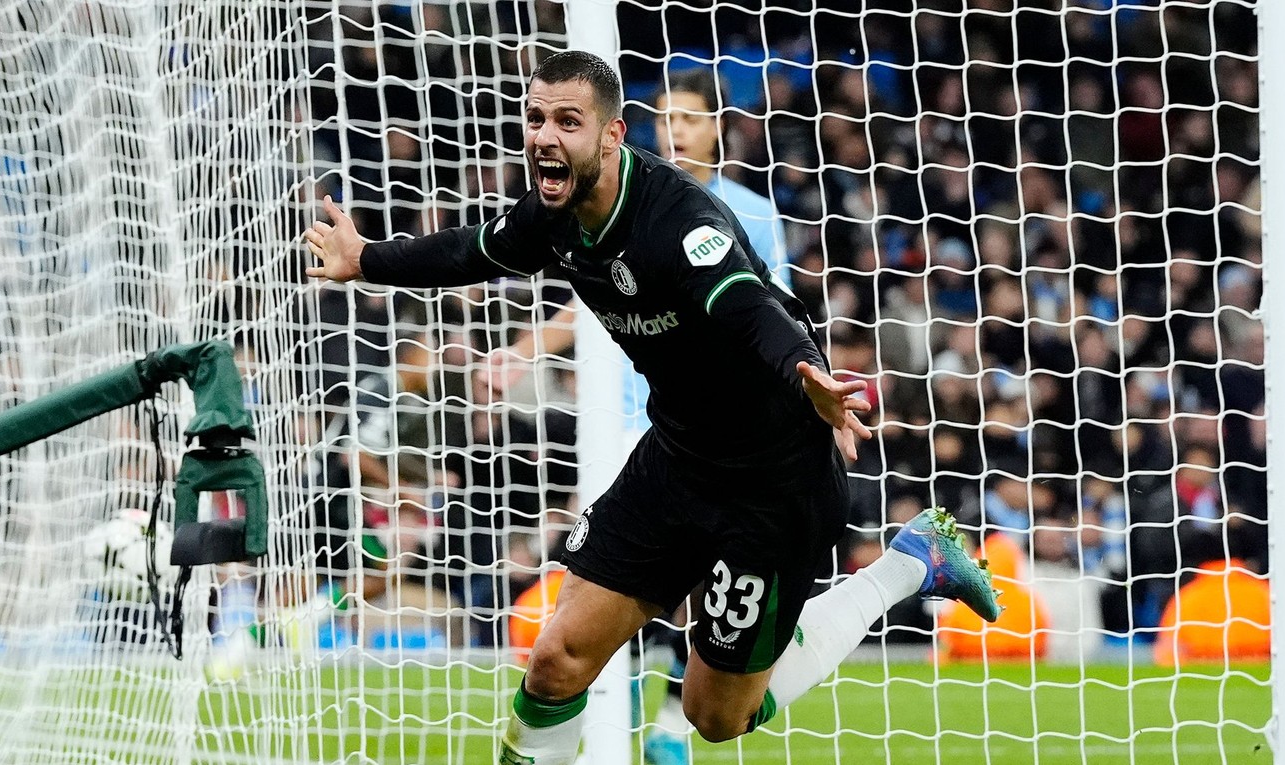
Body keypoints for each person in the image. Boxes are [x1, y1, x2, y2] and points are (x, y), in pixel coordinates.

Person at [304, 50, 1000, 764]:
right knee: (556, 659)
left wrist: (810, 377)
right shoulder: (554, 215)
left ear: (612, 134)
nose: (545, 135)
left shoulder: (679, 221)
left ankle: (909, 563)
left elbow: (750, 306)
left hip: (771, 482)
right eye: (536, 118)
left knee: (716, 715)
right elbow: (471, 251)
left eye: (567, 121)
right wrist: (368, 260)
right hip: (676, 457)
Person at [474, 68, 790, 764]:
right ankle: (626, 713)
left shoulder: (750, 213)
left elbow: (764, 310)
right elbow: (576, 298)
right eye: (666, 118)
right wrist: (520, 353)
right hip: (621, 419)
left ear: (717, 130)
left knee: (706, 590)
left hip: (722, 434)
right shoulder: (609, 200)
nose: (676, 129)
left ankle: (674, 719)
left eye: (691, 118)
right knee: (616, 590)